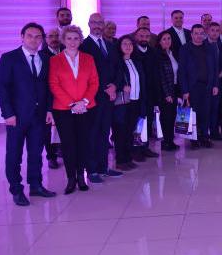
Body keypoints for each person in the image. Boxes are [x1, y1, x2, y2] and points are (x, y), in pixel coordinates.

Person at [0, 23, 56, 206]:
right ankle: (16, 189)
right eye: (30, 35)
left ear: (42, 39)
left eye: (38, 37)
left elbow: (48, 87)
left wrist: (49, 109)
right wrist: (8, 113)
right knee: (14, 154)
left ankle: (36, 185)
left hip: (39, 116)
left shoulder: (45, 58)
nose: (34, 40)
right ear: (22, 37)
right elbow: (3, 88)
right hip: (17, 116)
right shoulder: (9, 58)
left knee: (36, 153)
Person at [49, 25, 99, 195]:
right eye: (69, 38)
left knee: (83, 143)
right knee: (68, 145)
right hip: (64, 109)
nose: (72, 41)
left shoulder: (89, 58)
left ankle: (80, 177)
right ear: (63, 40)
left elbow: (94, 82)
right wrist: (72, 104)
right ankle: (71, 178)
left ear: (80, 40)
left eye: (76, 38)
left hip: (86, 107)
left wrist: (83, 102)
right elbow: (54, 85)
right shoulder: (54, 60)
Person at [79, 13, 120, 183]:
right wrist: (105, 88)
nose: (97, 25)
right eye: (94, 22)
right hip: (93, 98)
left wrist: (115, 85)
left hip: (109, 98)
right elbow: (86, 73)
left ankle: (103, 167)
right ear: (89, 24)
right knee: (92, 134)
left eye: (100, 22)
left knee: (104, 133)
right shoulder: (83, 46)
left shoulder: (110, 45)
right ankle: (92, 169)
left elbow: (118, 68)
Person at [178, 24, 219, 150]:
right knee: (193, 114)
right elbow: (182, 71)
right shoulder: (185, 48)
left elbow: (215, 68)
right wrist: (184, 90)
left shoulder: (210, 48)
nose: (199, 36)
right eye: (196, 33)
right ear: (191, 34)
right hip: (192, 88)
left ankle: (205, 137)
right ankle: (194, 139)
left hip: (207, 86)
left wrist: (215, 84)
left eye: (201, 33)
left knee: (206, 113)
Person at [112, 35, 148, 171]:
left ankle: (128, 158)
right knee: (120, 132)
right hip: (122, 103)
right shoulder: (117, 62)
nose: (128, 46)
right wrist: (121, 86)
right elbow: (113, 79)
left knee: (129, 131)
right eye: (125, 44)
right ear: (120, 47)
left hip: (135, 101)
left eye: (130, 44)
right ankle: (120, 160)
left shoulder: (136, 62)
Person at [131, 27, 160, 160]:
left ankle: (145, 147)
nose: (144, 39)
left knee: (147, 122)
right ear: (136, 37)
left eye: (147, 36)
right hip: (136, 94)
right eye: (141, 36)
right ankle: (135, 150)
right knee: (136, 122)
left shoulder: (153, 52)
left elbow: (156, 74)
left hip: (150, 94)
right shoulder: (132, 52)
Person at [153, 31, 180, 151]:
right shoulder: (158, 55)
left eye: (169, 38)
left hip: (174, 88)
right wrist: (167, 94)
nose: (167, 41)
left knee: (172, 115)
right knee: (166, 117)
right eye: (164, 39)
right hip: (165, 91)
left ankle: (170, 140)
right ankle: (166, 142)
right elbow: (161, 76)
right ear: (159, 42)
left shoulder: (173, 53)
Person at [40, 27, 62, 169]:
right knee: (48, 129)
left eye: (56, 36)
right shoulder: (41, 55)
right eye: (51, 36)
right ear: (46, 39)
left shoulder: (66, 51)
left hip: (65, 96)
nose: (54, 39)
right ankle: (51, 156)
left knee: (64, 125)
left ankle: (63, 150)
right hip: (48, 97)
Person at [206, 22, 222, 140]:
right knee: (206, 109)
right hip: (207, 83)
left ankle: (214, 131)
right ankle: (204, 132)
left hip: (219, 82)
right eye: (212, 30)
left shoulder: (220, 44)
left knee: (216, 108)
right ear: (208, 31)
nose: (215, 33)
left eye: (217, 31)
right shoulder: (203, 45)